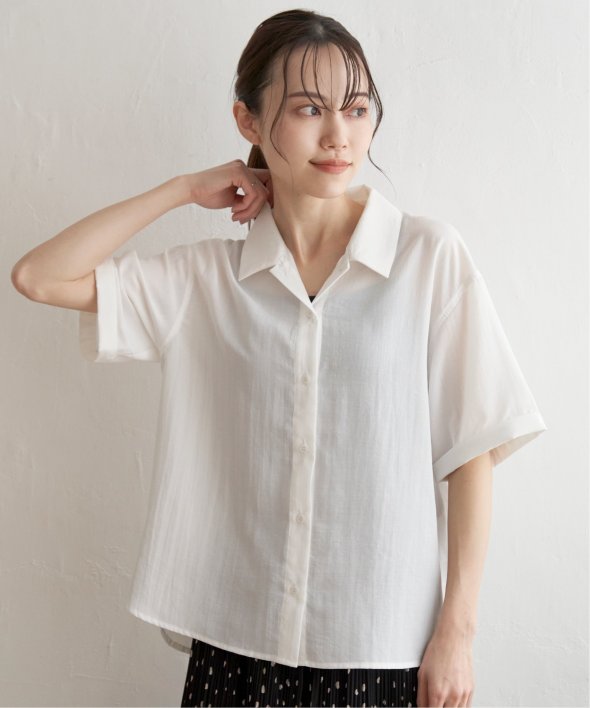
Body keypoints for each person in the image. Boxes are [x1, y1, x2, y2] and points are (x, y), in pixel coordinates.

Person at [11, 8, 547, 708]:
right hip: (235, 651)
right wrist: (181, 190)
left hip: (380, 649)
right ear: (250, 120)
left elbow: (471, 451)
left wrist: (459, 632)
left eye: (357, 109)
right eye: (308, 109)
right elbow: (38, 277)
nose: (340, 135)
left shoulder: (427, 259)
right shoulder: (205, 281)